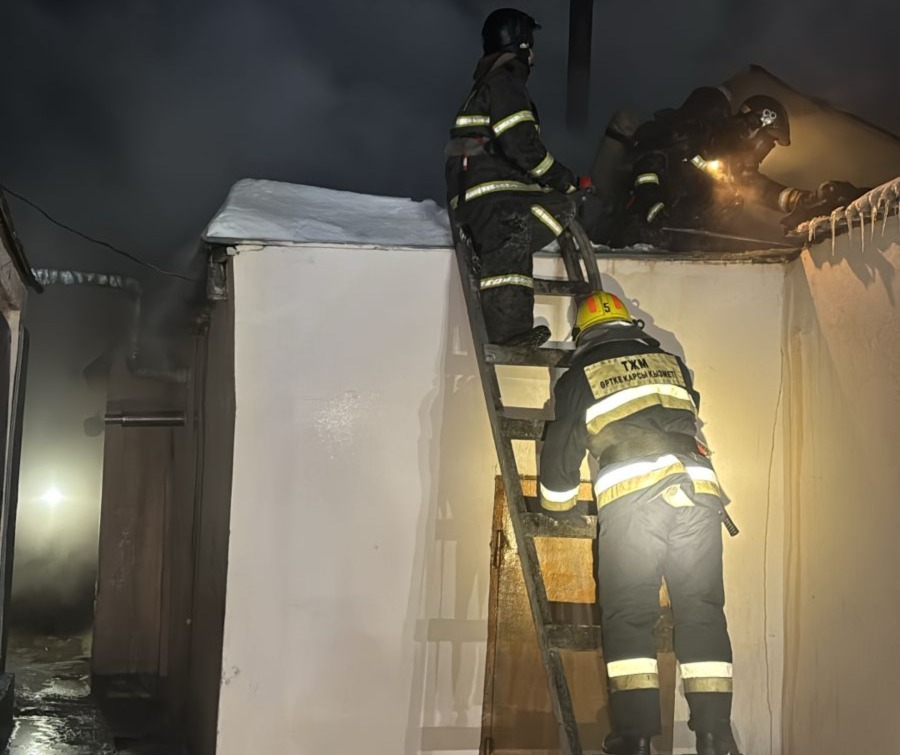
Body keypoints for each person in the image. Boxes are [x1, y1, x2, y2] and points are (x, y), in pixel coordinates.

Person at [538, 290, 737, 755]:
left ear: (582, 334)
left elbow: (562, 451)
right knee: (702, 610)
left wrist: (558, 506)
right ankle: (715, 736)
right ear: (630, 325)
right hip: (698, 493)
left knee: (629, 614)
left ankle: (635, 736)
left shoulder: (580, 376)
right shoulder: (671, 363)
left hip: (635, 499)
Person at [445, 8, 582, 348]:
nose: (534, 54)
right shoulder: (505, 83)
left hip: (479, 196)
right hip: (492, 198)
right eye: (531, 44)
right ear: (522, 44)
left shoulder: (488, 85)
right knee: (522, 223)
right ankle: (508, 334)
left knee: (559, 208)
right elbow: (522, 145)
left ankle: (489, 250)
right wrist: (563, 178)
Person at [623, 88, 861, 246]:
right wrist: (651, 203)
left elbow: (763, 190)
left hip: (679, 240)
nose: (766, 149)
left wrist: (804, 200)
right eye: (767, 141)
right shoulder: (698, 137)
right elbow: (650, 164)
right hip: (643, 231)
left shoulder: (733, 165)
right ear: (754, 125)